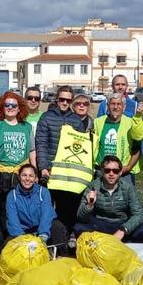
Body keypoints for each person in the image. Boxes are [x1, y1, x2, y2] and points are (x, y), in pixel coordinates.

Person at [38, 92, 96, 234]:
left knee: (67, 207)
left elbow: (82, 147)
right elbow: (41, 144)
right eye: (62, 99)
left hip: (69, 173)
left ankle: (64, 237)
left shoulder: (76, 120)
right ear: (57, 99)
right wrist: (43, 167)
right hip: (50, 171)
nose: (65, 103)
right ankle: (47, 236)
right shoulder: (46, 117)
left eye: (68, 100)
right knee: (48, 207)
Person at [0, 90, 35, 246]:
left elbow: (32, 151)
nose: (10, 107)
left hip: (21, 176)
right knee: (2, 210)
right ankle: (4, 241)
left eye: (14, 105)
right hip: (1, 175)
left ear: (20, 108)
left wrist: (34, 171)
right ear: (2, 107)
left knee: (20, 209)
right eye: (7, 105)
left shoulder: (26, 127)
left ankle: (21, 237)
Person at [75, 153, 143, 241]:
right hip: (100, 224)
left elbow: (139, 215)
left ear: (120, 172)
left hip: (122, 223)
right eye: (107, 170)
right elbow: (81, 217)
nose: (111, 173)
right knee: (78, 228)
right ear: (102, 171)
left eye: (115, 171)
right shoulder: (93, 186)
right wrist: (89, 205)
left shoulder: (128, 187)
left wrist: (123, 230)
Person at [4, 163, 68, 248]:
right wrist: (22, 240)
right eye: (24, 175)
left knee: (58, 227)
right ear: (19, 177)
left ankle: (61, 255)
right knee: (8, 245)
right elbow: (12, 220)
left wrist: (43, 236)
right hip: (23, 231)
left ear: (35, 178)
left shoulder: (43, 192)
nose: (27, 178)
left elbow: (46, 214)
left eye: (31, 176)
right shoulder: (12, 195)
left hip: (42, 228)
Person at [93, 94, 140, 183]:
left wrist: (128, 167)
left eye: (119, 104)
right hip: (102, 171)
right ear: (107, 106)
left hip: (123, 172)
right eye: (112, 104)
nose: (115, 107)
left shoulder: (131, 123)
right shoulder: (97, 122)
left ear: (124, 106)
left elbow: (137, 149)